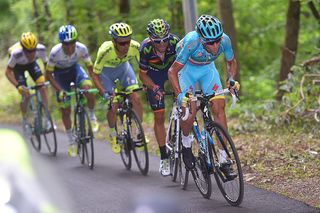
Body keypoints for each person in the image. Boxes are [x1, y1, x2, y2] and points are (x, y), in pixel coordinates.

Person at [168, 15, 240, 179]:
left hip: (208, 70)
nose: (215, 46)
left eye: (217, 41)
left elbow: (231, 62)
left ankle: (223, 160)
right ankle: (186, 145)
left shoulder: (225, 40)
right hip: (187, 70)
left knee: (219, 110)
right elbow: (172, 72)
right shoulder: (192, 42)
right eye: (209, 42)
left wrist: (231, 79)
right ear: (201, 39)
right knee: (190, 110)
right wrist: (180, 95)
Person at [46, 25, 99, 157]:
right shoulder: (55, 52)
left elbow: (90, 68)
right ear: (61, 43)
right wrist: (60, 91)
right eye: (66, 44)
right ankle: (70, 141)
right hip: (60, 75)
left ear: (76, 41)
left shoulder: (82, 48)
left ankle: (92, 116)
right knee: (65, 109)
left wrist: (95, 83)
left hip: (75, 70)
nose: (69, 47)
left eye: (72, 43)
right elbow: (48, 75)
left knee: (88, 90)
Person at [91, 22, 144, 153]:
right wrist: (103, 92)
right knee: (113, 104)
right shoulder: (105, 50)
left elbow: (144, 69)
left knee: (136, 98)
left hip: (124, 70)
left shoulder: (136, 47)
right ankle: (112, 134)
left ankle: (138, 131)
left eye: (128, 41)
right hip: (106, 74)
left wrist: (147, 83)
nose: (126, 46)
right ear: (114, 41)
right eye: (121, 43)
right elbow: (95, 75)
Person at [139, 19, 180, 176]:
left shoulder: (176, 41)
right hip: (154, 75)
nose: (162, 44)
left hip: (173, 71)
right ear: (151, 39)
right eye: (158, 41)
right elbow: (142, 75)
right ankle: (164, 157)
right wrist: (154, 87)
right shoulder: (146, 48)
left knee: (186, 104)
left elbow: (184, 65)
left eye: (165, 39)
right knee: (159, 115)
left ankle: (186, 142)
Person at [5, 32, 50, 132]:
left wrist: (46, 79)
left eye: (33, 50)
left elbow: (47, 66)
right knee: (26, 94)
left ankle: (47, 118)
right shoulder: (15, 54)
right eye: (28, 51)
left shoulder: (41, 49)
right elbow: (8, 72)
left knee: (42, 87)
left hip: (31, 65)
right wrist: (18, 86)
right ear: (23, 49)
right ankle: (25, 118)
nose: (31, 54)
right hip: (18, 67)